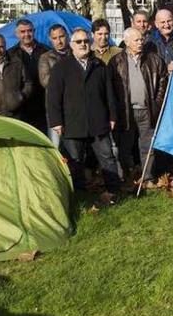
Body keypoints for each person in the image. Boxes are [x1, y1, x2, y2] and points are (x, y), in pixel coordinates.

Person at [47, 28, 121, 200]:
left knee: (108, 158)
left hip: (98, 121)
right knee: (74, 161)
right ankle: (80, 195)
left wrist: (112, 116)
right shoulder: (61, 67)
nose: (83, 44)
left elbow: (109, 93)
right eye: (79, 42)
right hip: (72, 123)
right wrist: (56, 122)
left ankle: (114, 190)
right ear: (72, 45)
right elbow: (53, 97)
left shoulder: (99, 65)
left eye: (86, 41)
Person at [109, 27, 168, 190]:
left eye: (141, 39)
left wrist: (156, 103)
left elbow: (163, 82)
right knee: (125, 148)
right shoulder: (116, 61)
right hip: (126, 112)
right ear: (126, 42)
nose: (140, 42)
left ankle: (147, 178)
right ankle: (126, 179)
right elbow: (111, 88)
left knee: (147, 146)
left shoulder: (154, 60)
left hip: (147, 110)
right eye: (136, 40)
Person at [7, 19, 50, 131]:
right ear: (17, 34)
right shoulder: (10, 55)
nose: (26, 34)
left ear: (34, 31)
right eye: (23, 31)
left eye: (29, 31)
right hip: (21, 106)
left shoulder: (46, 51)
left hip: (43, 104)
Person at [38, 24, 70, 145]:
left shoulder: (74, 53)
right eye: (55, 38)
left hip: (74, 105)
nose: (59, 41)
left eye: (61, 36)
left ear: (67, 36)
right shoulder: (45, 57)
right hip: (54, 105)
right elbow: (46, 81)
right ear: (50, 39)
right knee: (55, 142)